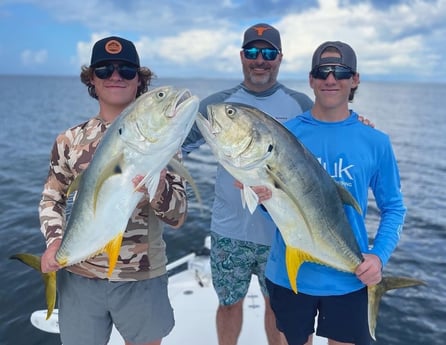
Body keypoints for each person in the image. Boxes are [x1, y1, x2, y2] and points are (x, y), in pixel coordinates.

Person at [39, 36, 188, 345]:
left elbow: (178, 217)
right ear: (92, 79)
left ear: (139, 80)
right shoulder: (68, 140)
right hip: (79, 275)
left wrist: (155, 184)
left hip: (141, 276)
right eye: (105, 70)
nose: (116, 76)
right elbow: (52, 198)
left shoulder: (165, 142)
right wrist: (55, 243)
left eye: (127, 70)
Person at [263, 41, 406, 345]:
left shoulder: (376, 141)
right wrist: (258, 192)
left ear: (355, 79)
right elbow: (273, 205)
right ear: (311, 79)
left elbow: (393, 207)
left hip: (349, 279)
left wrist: (378, 258)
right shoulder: (286, 136)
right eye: (322, 71)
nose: (331, 79)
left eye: (340, 72)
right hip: (290, 276)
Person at [182, 23, 313, 345]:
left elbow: (328, 142)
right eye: (253, 52)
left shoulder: (300, 104)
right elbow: (176, 147)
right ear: (242, 56)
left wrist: (360, 121)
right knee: (228, 305)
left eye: (268, 53)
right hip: (230, 232)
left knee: (278, 308)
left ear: (279, 58)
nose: (260, 60)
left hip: (281, 234)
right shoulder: (217, 106)